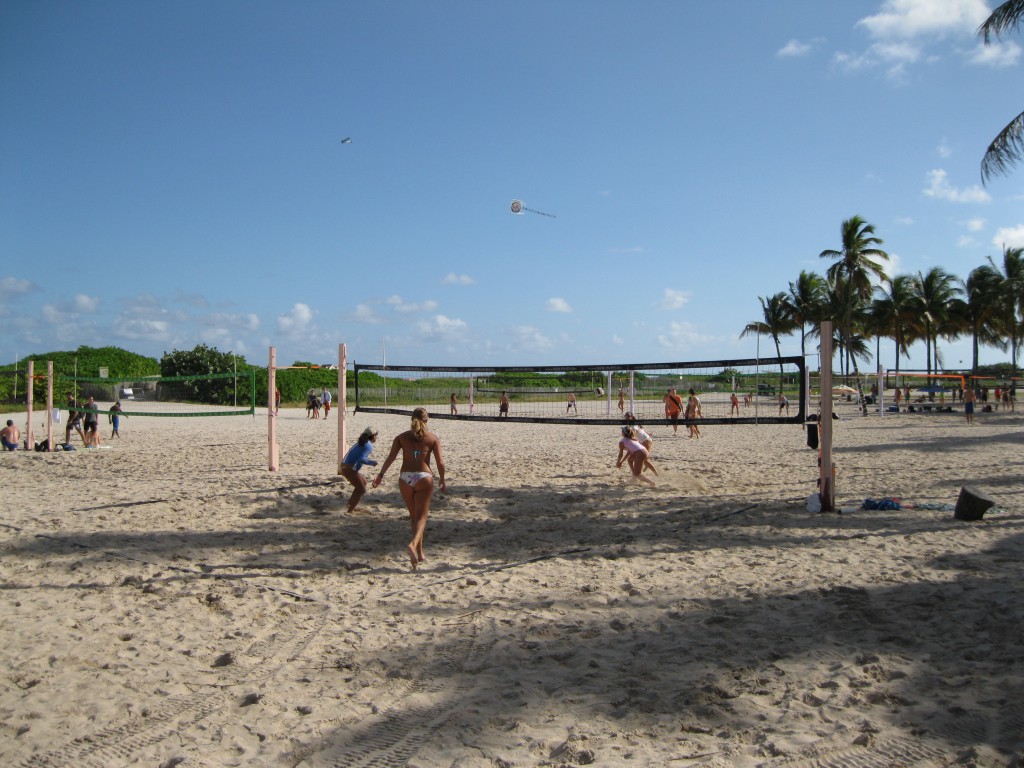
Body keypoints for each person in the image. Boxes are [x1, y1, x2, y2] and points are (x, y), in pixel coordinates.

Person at [371, 407, 447, 569]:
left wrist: (380, 475)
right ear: (426, 420)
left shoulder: (401, 437)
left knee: (414, 517)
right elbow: (440, 462)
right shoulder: (432, 438)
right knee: (422, 518)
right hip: (423, 477)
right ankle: (413, 545)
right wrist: (442, 479)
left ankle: (419, 554)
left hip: (405, 478)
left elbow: (391, 457)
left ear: (411, 419)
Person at [339, 427, 378, 513]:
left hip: (345, 466)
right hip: (347, 468)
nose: (377, 436)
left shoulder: (362, 443)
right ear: (373, 436)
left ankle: (350, 504)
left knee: (364, 481)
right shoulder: (368, 446)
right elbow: (362, 459)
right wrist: (372, 463)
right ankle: (350, 511)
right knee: (362, 489)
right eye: (377, 434)